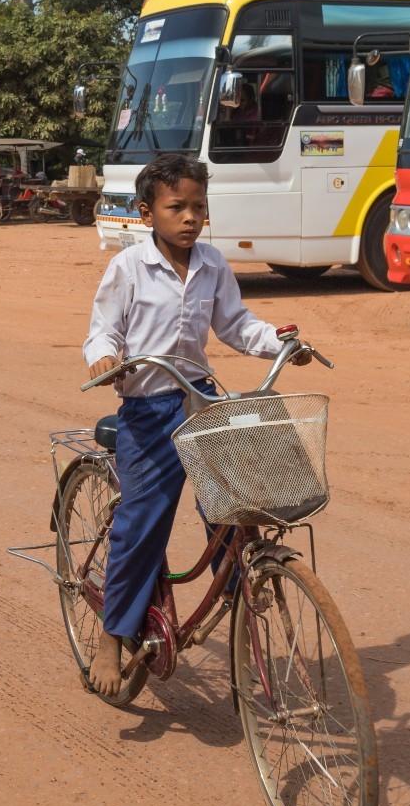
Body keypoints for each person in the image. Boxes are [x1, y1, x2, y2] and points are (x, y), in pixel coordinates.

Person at [79, 153, 307, 696]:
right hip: (149, 409)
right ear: (146, 212)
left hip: (200, 401)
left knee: (232, 504)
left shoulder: (211, 263)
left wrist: (280, 342)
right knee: (142, 523)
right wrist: (105, 357)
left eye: (198, 207)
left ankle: (239, 593)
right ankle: (112, 635)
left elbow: (235, 324)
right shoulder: (128, 268)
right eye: (175, 207)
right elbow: (102, 329)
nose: (189, 218)